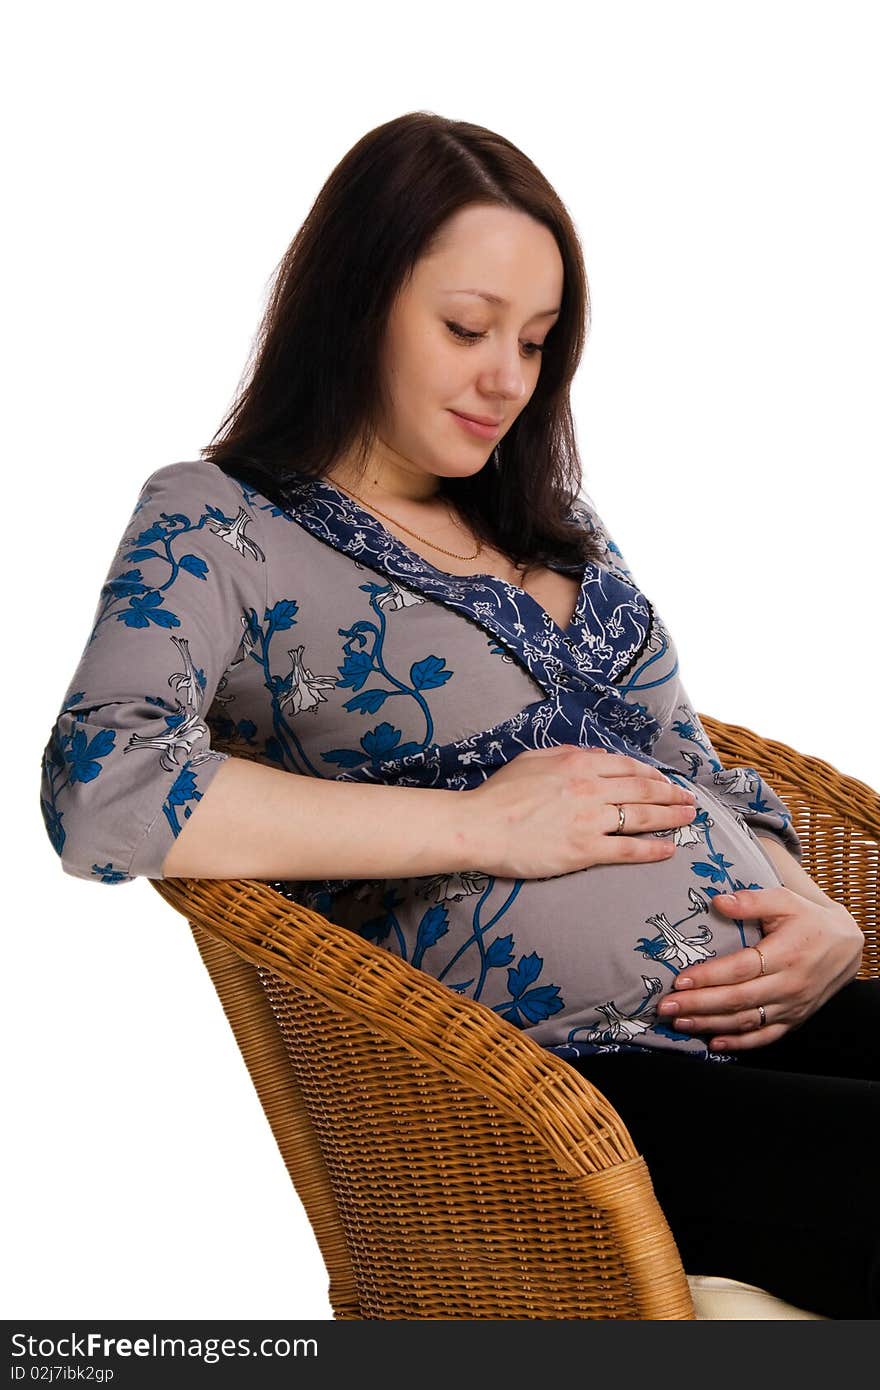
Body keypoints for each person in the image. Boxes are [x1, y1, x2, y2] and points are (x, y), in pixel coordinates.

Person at [39, 111, 877, 1319]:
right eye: (466, 329)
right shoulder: (222, 520)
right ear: (356, 299)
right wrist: (484, 826)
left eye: (536, 344)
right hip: (564, 1090)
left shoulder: (557, 524)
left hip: (768, 1021)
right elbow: (101, 785)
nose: (507, 380)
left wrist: (815, 921)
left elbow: (707, 773)